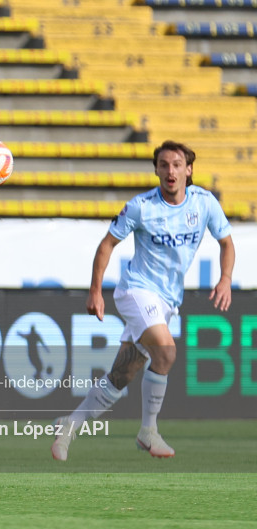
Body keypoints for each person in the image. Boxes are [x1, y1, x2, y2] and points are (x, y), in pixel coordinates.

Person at [51, 140, 235, 461]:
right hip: (136, 290)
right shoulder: (142, 206)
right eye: (163, 165)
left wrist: (225, 279)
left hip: (166, 300)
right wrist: (95, 291)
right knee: (165, 351)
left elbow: (227, 242)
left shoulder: (204, 203)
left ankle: (70, 424)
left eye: (177, 165)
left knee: (122, 375)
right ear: (156, 170)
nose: (170, 171)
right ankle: (148, 431)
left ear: (188, 170)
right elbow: (107, 245)